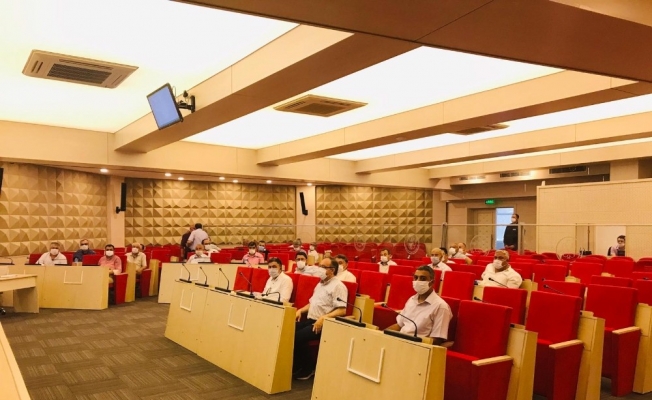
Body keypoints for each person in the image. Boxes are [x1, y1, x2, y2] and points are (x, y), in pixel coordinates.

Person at [293, 257, 348, 380]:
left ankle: (309, 368)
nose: (319, 269)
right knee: (287, 330)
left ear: (332, 270)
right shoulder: (320, 284)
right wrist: (300, 310)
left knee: (298, 337)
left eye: (323, 267)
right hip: (311, 319)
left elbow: (342, 310)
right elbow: (312, 303)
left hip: (324, 324)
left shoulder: (338, 286)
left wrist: (324, 318)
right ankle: (297, 366)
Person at [386, 265, 452, 345]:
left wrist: (412, 344)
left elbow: (437, 339)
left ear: (432, 282)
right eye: (416, 278)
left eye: (423, 279)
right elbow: (399, 325)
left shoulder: (441, 306)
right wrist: (382, 334)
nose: (418, 281)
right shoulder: (411, 300)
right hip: (399, 341)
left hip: (418, 346)